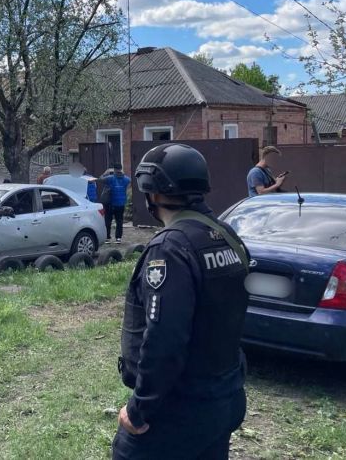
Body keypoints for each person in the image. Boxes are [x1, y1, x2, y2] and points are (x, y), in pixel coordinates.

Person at [114, 143, 249, 460]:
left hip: (180, 407)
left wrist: (139, 409)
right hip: (224, 397)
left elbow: (165, 338)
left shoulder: (171, 247)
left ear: (153, 193)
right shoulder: (227, 236)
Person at [98, 163, 131, 244]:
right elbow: (129, 182)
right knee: (119, 221)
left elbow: (99, 179)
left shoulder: (110, 178)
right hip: (121, 203)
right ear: (121, 169)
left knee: (108, 220)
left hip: (111, 203)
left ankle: (107, 238)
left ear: (114, 169)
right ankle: (118, 238)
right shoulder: (126, 179)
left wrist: (105, 173)